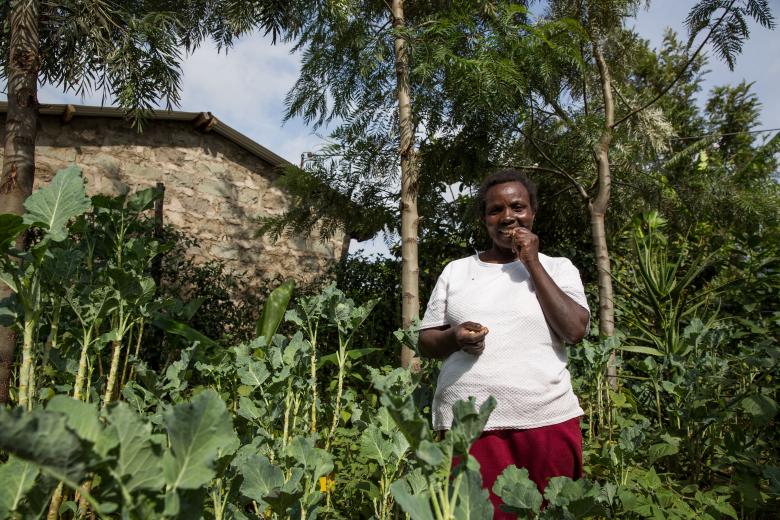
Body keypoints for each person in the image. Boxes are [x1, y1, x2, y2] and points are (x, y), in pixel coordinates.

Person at [418, 168, 590, 518]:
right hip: (469, 426)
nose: (508, 217)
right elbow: (426, 341)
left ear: (532, 214)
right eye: (495, 210)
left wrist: (531, 262)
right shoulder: (457, 271)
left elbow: (574, 330)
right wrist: (455, 337)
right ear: (484, 220)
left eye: (517, 207)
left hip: (546, 419)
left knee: (553, 511)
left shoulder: (558, 269)